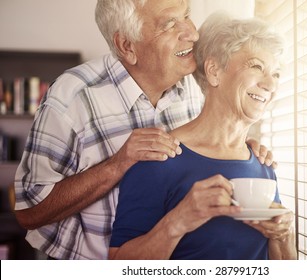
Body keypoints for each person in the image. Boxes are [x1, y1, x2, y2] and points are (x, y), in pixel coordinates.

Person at [13, 0, 274, 260]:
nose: (192, 33)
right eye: (170, 24)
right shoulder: (73, 98)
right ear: (127, 46)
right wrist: (118, 164)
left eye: (186, 16)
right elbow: (29, 212)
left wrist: (237, 145)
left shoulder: (194, 87)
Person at [109, 12, 297, 260]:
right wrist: (178, 221)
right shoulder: (159, 159)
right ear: (214, 71)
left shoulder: (263, 166)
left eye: (276, 74)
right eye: (256, 66)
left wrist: (283, 235)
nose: (270, 85)